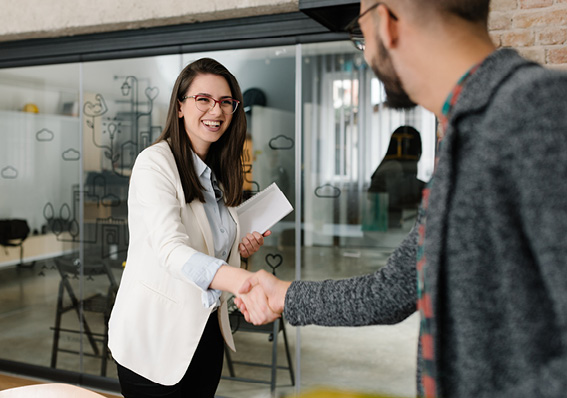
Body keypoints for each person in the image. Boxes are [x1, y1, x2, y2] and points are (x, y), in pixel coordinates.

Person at [236, 1, 567, 397]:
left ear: (387, 22)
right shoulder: (464, 135)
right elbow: (391, 292)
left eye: (362, 37)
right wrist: (285, 296)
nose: (367, 53)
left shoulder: (537, 111)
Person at [108, 58, 274, 398]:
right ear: (180, 106)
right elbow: (171, 249)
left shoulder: (218, 172)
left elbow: (206, 246)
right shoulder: (155, 163)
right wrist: (245, 281)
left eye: (226, 102)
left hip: (205, 332)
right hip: (153, 340)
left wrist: (236, 247)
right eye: (203, 99)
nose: (216, 110)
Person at [368, 125, 425, 228]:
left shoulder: (394, 165)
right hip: (384, 227)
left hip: (390, 225)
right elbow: (399, 195)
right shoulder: (393, 166)